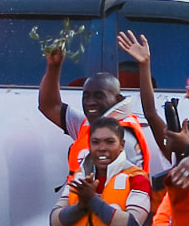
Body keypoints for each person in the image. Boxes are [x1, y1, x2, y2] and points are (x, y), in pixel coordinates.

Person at [38, 41, 150, 179]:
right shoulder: (87, 124)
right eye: (86, 96)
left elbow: (122, 192)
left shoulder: (123, 138)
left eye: (99, 96)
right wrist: (54, 66)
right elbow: (49, 105)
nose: (90, 102)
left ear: (118, 99)